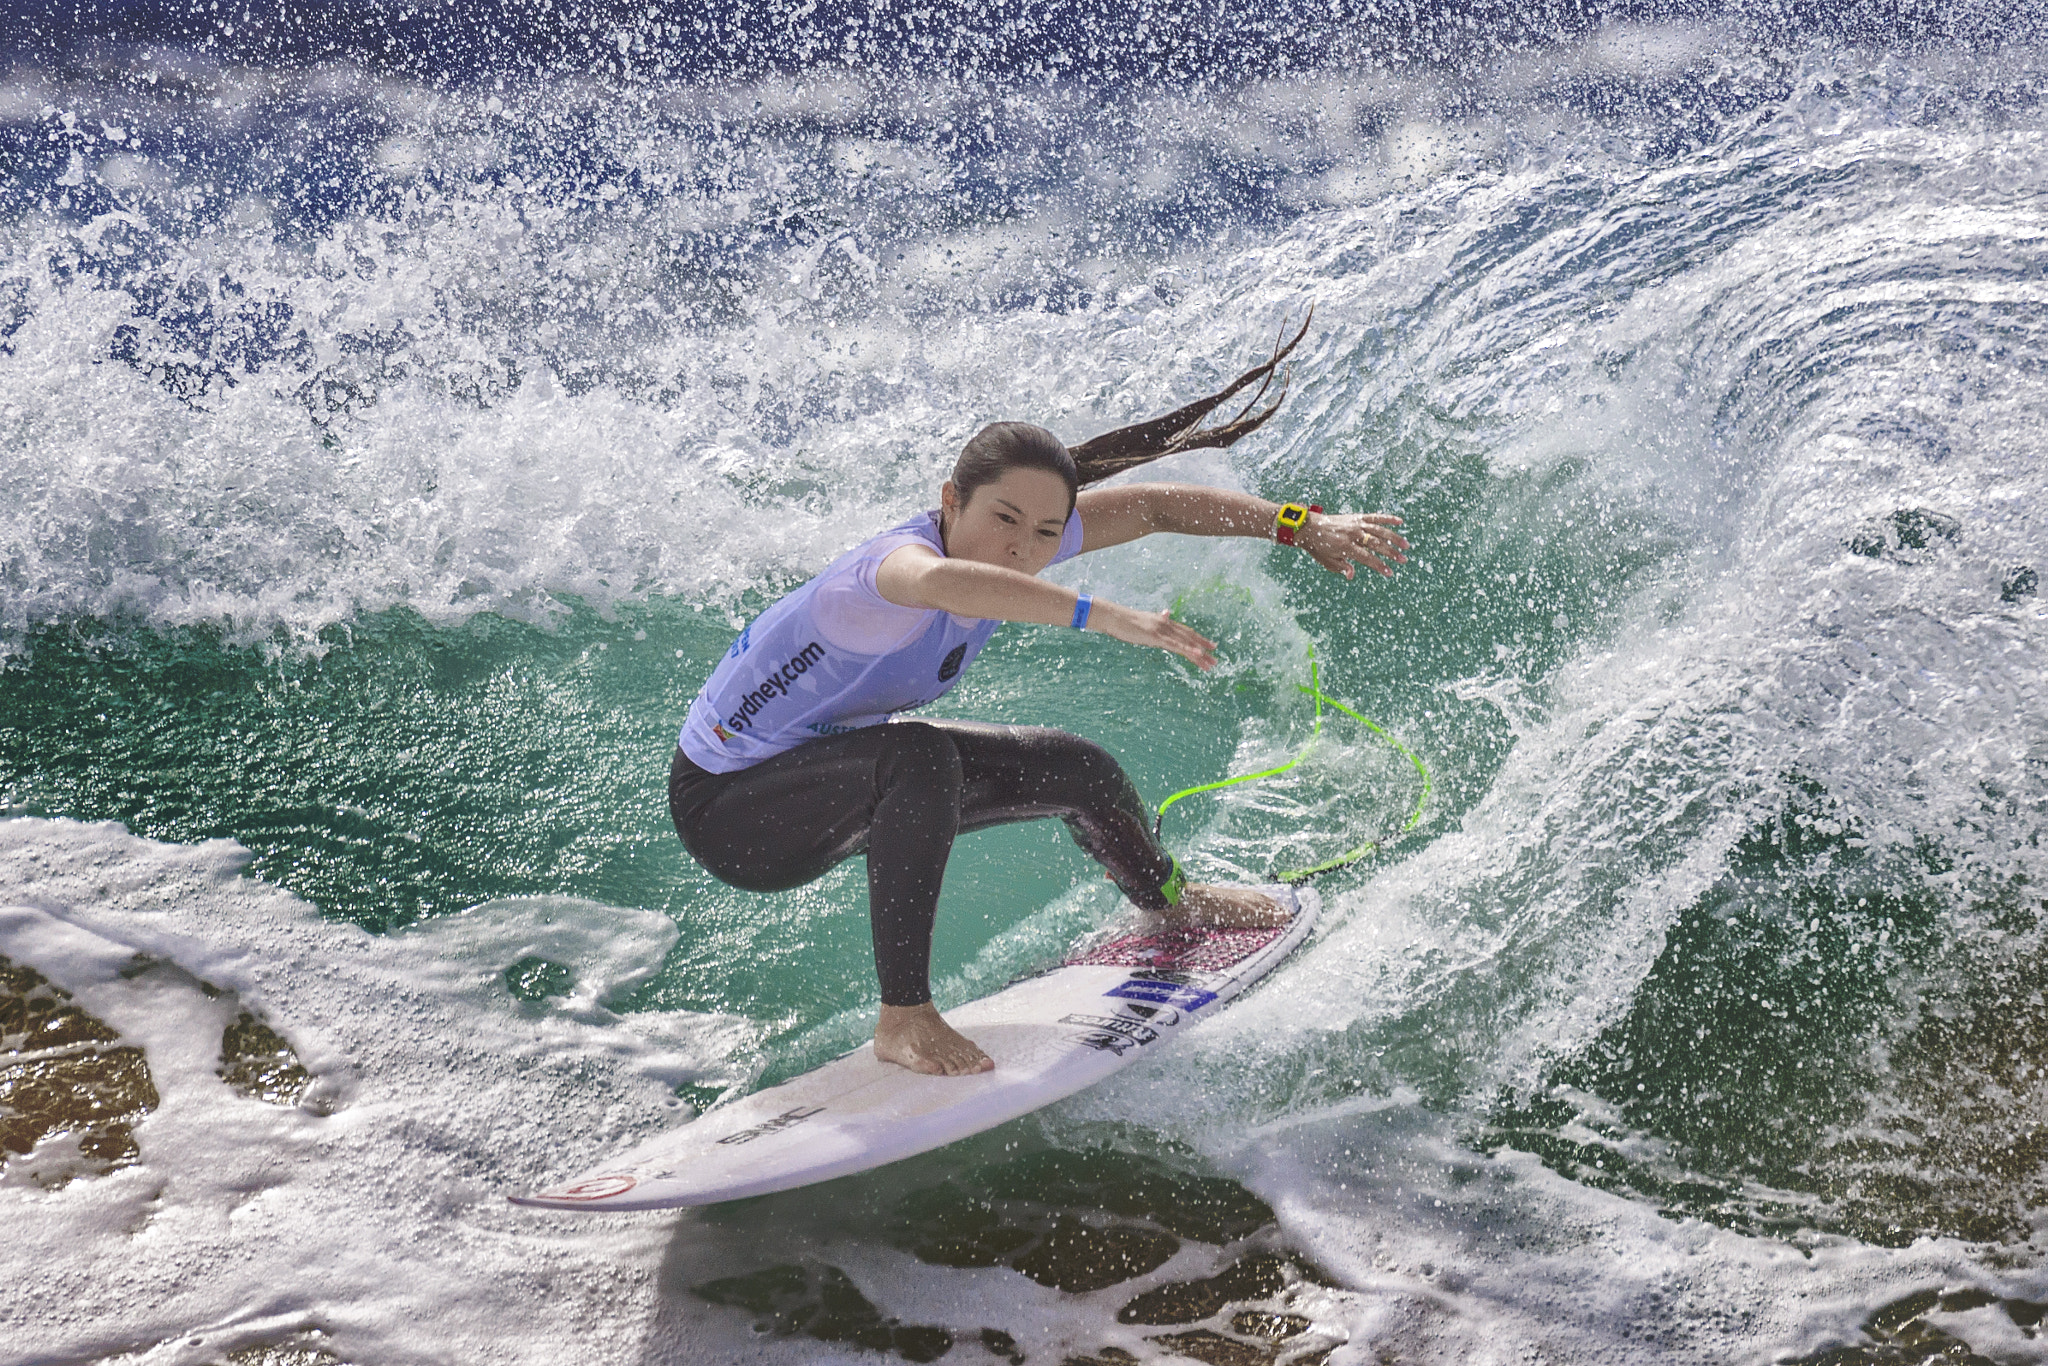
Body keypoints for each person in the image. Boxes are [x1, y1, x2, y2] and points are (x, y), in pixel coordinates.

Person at [669, 318, 1409, 1077]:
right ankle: (905, 1018)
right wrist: (1104, 615)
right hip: (730, 809)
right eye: (1004, 520)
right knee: (917, 756)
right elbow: (942, 586)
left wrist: (1301, 524)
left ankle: (1172, 904)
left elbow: (1156, 508)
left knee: (1073, 767)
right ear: (950, 500)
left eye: (1046, 532)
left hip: (818, 770)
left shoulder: (1022, 542)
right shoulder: (887, 572)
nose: (1022, 549)